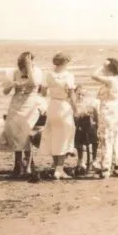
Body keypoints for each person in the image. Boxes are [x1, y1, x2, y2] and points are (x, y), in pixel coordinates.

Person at [0, 51, 44, 178]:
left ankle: (28, 164)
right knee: (14, 132)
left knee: (25, 131)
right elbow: (5, 91)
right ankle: (18, 164)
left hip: (31, 103)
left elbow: (33, 83)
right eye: (26, 62)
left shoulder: (36, 71)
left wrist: (29, 67)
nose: (30, 64)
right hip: (16, 103)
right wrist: (11, 85)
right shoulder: (15, 72)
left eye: (31, 61)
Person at [38, 52, 77, 180]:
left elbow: (43, 93)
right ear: (65, 62)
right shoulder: (68, 76)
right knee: (65, 137)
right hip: (63, 106)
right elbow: (71, 95)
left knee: (55, 137)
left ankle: (57, 168)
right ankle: (59, 170)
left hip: (52, 106)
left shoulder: (48, 75)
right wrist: (76, 109)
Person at [92, 58, 118, 178]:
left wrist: (102, 65)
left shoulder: (110, 80)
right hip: (116, 108)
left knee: (105, 138)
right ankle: (117, 166)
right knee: (115, 138)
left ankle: (105, 168)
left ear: (109, 69)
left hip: (107, 109)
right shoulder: (117, 79)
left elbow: (93, 75)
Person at [73, 85, 99, 176]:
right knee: (79, 135)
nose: (80, 96)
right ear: (74, 93)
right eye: (79, 94)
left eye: (83, 95)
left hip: (87, 130)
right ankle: (81, 160)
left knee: (95, 135)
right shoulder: (72, 104)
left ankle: (94, 160)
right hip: (77, 130)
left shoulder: (89, 104)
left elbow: (95, 119)